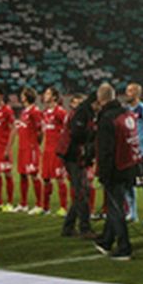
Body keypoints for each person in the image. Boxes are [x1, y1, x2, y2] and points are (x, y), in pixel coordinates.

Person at [93, 83, 135, 260]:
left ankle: (124, 246)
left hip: (115, 168)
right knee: (114, 204)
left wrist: (102, 173)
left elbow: (106, 150)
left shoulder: (107, 118)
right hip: (129, 165)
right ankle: (106, 240)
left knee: (116, 207)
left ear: (100, 99)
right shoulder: (126, 113)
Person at [60, 91, 96, 239]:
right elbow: (76, 134)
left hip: (73, 155)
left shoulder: (83, 111)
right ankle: (84, 228)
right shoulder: (82, 113)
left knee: (81, 192)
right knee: (82, 192)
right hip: (74, 156)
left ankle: (68, 227)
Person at [124, 83, 143, 226]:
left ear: (137, 93)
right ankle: (132, 213)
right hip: (128, 154)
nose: (127, 93)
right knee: (128, 184)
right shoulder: (124, 111)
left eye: (130, 91)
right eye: (127, 90)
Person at [39, 87, 69, 215]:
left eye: (48, 93)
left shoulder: (60, 112)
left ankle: (63, 208)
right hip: (47, 150)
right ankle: (45, 207)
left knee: (59, 178)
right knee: (45, 178)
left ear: (55, 97)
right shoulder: (45, 112)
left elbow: (68, 130)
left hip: (57, 151)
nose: (45, 96)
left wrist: (64, 149)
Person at [16, 87, 44, 214]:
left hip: (31, 148)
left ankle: (39, 204)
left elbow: (40, 130)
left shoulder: (35, 111)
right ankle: (23, 204)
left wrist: (35, 144)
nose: (21, 96)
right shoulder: (24, 111)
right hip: (22, 147)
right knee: (22, 174)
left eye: (22, 94)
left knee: (33, 174)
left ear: (26, 96)